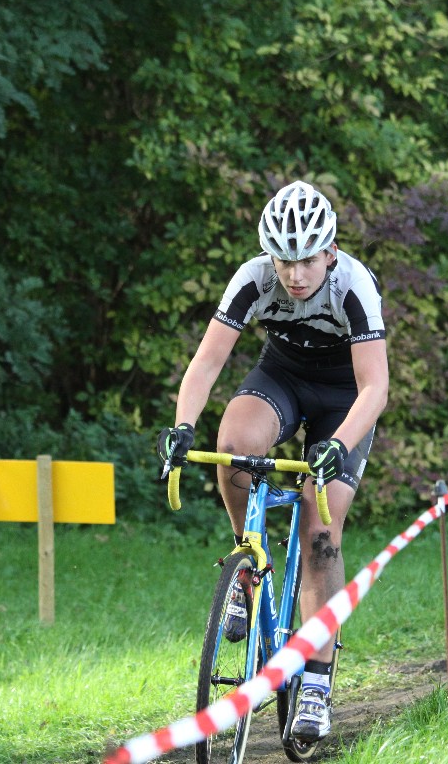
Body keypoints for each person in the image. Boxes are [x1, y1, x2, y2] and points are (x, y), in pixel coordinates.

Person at [156, 179, 389, 742]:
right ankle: (247, 564)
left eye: (307, 260)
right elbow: (207, 362)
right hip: (282, 376)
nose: (295, 274)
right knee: (233, 447)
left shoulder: (355, 285)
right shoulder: (253, 278)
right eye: (284, 260)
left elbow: (375, 387)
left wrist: (339, 444)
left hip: (345, 399)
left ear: (330, 253)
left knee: (319, 530)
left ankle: (317, 682)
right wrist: (183, 425)